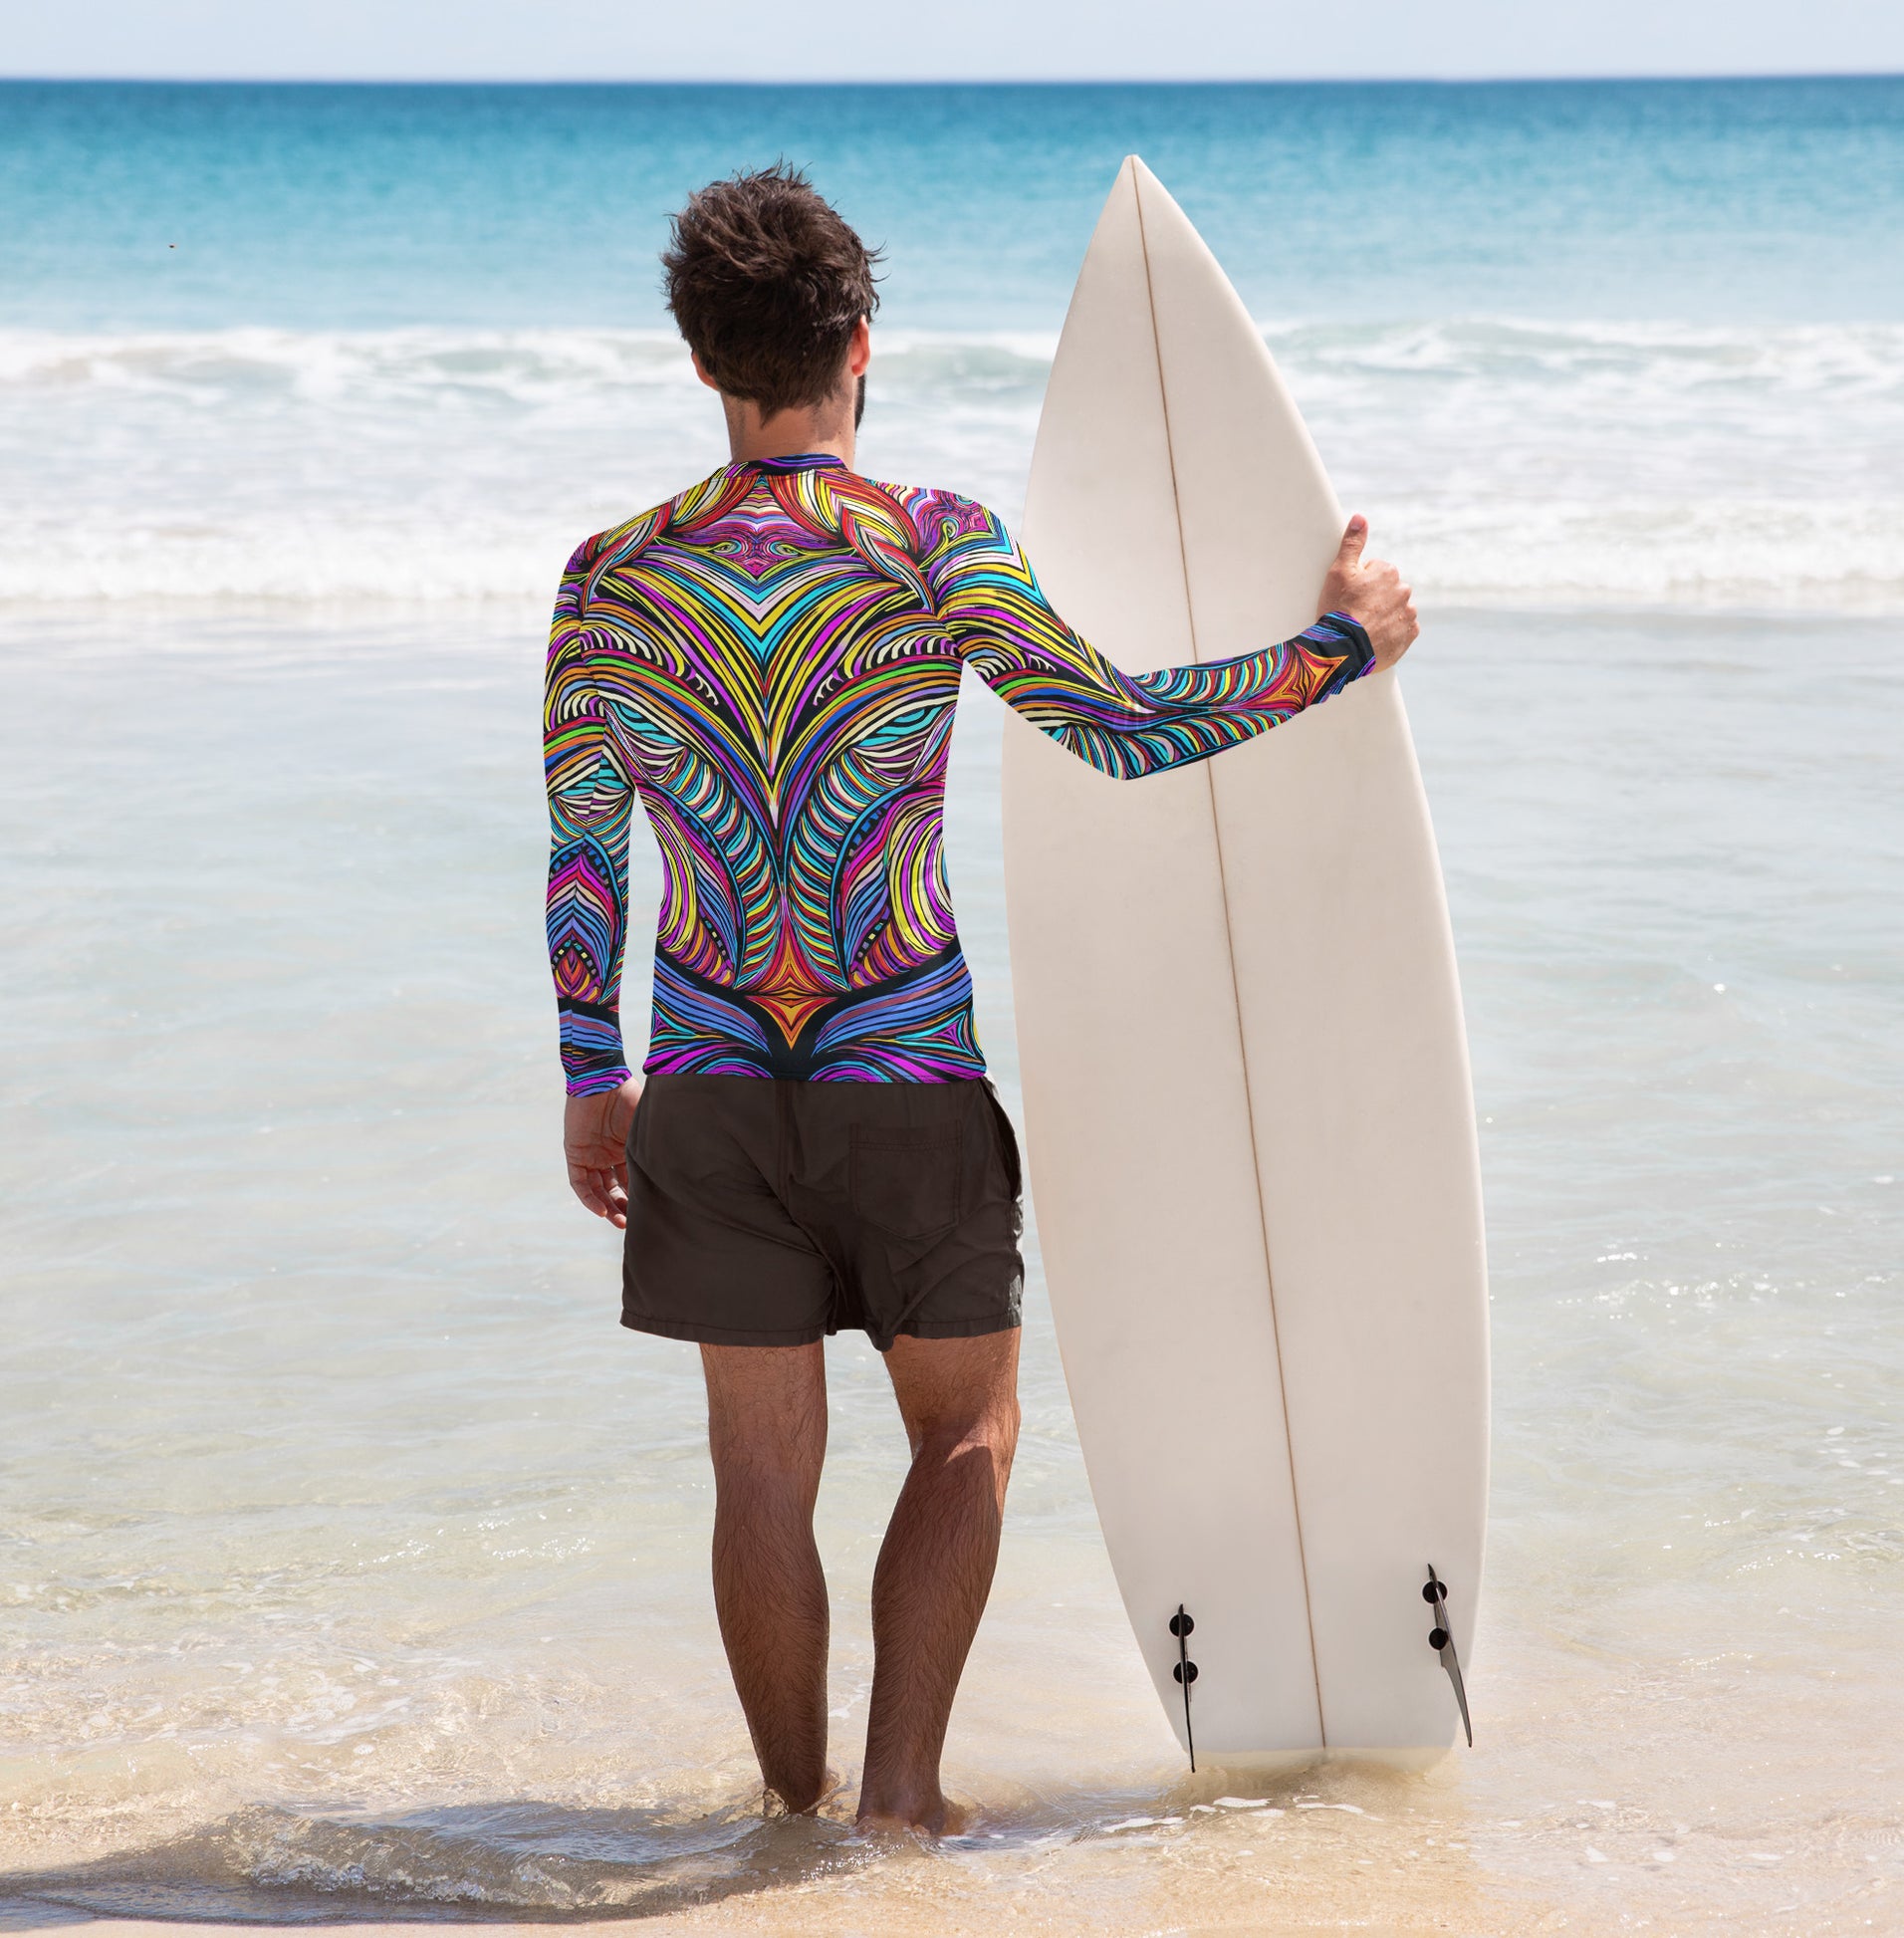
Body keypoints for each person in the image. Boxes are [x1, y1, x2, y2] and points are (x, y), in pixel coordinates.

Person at [544, 164, 1418, 1836]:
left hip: (712, 1082)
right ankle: (898, 1800)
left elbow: (587, 855)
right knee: (965, 1436)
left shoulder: (609, 577)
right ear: (859, 342)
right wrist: (1333, 649)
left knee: (756, 1470)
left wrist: (597, 1078)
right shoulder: (929, 543)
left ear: (699, 359)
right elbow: (1114, 727)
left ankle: (785, 1818)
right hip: (903, 1073)